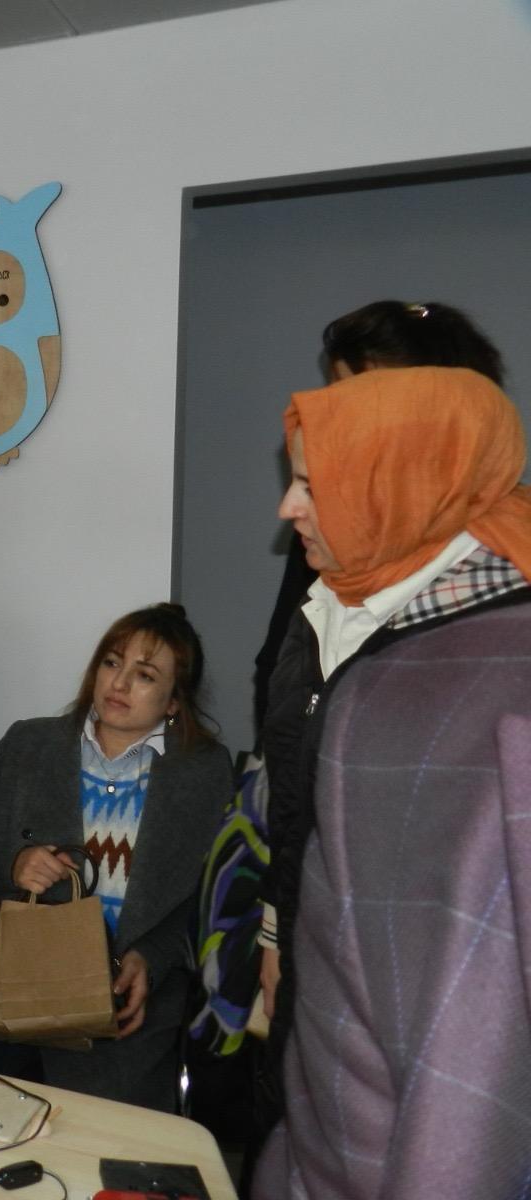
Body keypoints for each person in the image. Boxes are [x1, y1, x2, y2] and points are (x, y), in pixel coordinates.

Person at [254, 365, 531, 1200]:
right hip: (324, 1073)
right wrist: (278, 937)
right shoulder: (336, 608)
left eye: (312, 484)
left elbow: (474, 1039)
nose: (288, 507)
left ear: (399, 484)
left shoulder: (491, 681)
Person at [0, 603, 232, 1112]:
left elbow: (209, 898)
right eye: (112, 663)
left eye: (145, 675)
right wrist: (14, 864)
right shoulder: (31, 743)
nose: (119, 683)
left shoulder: (203, 771)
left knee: (99, 1145)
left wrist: (153, 957)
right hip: (7, 988)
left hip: (122, 1012)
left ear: (174, 701)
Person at [251, 300, 504, 730]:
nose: (341, 417)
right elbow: (280, 672)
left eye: (368, 398)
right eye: (338, 394)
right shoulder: (320, 535)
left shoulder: (501, 583)